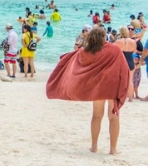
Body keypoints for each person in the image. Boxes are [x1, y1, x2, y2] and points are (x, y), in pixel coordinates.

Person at [46, 27, 129, 155]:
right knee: (114, 117)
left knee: (96, 116)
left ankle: (94, 146)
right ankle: (113, 149)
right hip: (112, 85)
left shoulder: (85, 51)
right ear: (104, 37)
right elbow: (123, 69)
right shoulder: (115, 49)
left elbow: (74, 60)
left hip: (97, 88)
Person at [115, 26, 138, 101]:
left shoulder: (118, 41)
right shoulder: (133, 41)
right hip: (130, 61)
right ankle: (130, 98)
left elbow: (114, 52)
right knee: (130, 80)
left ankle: (120, 97)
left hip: (122, 62)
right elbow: (134, 51)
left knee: (120, 80)